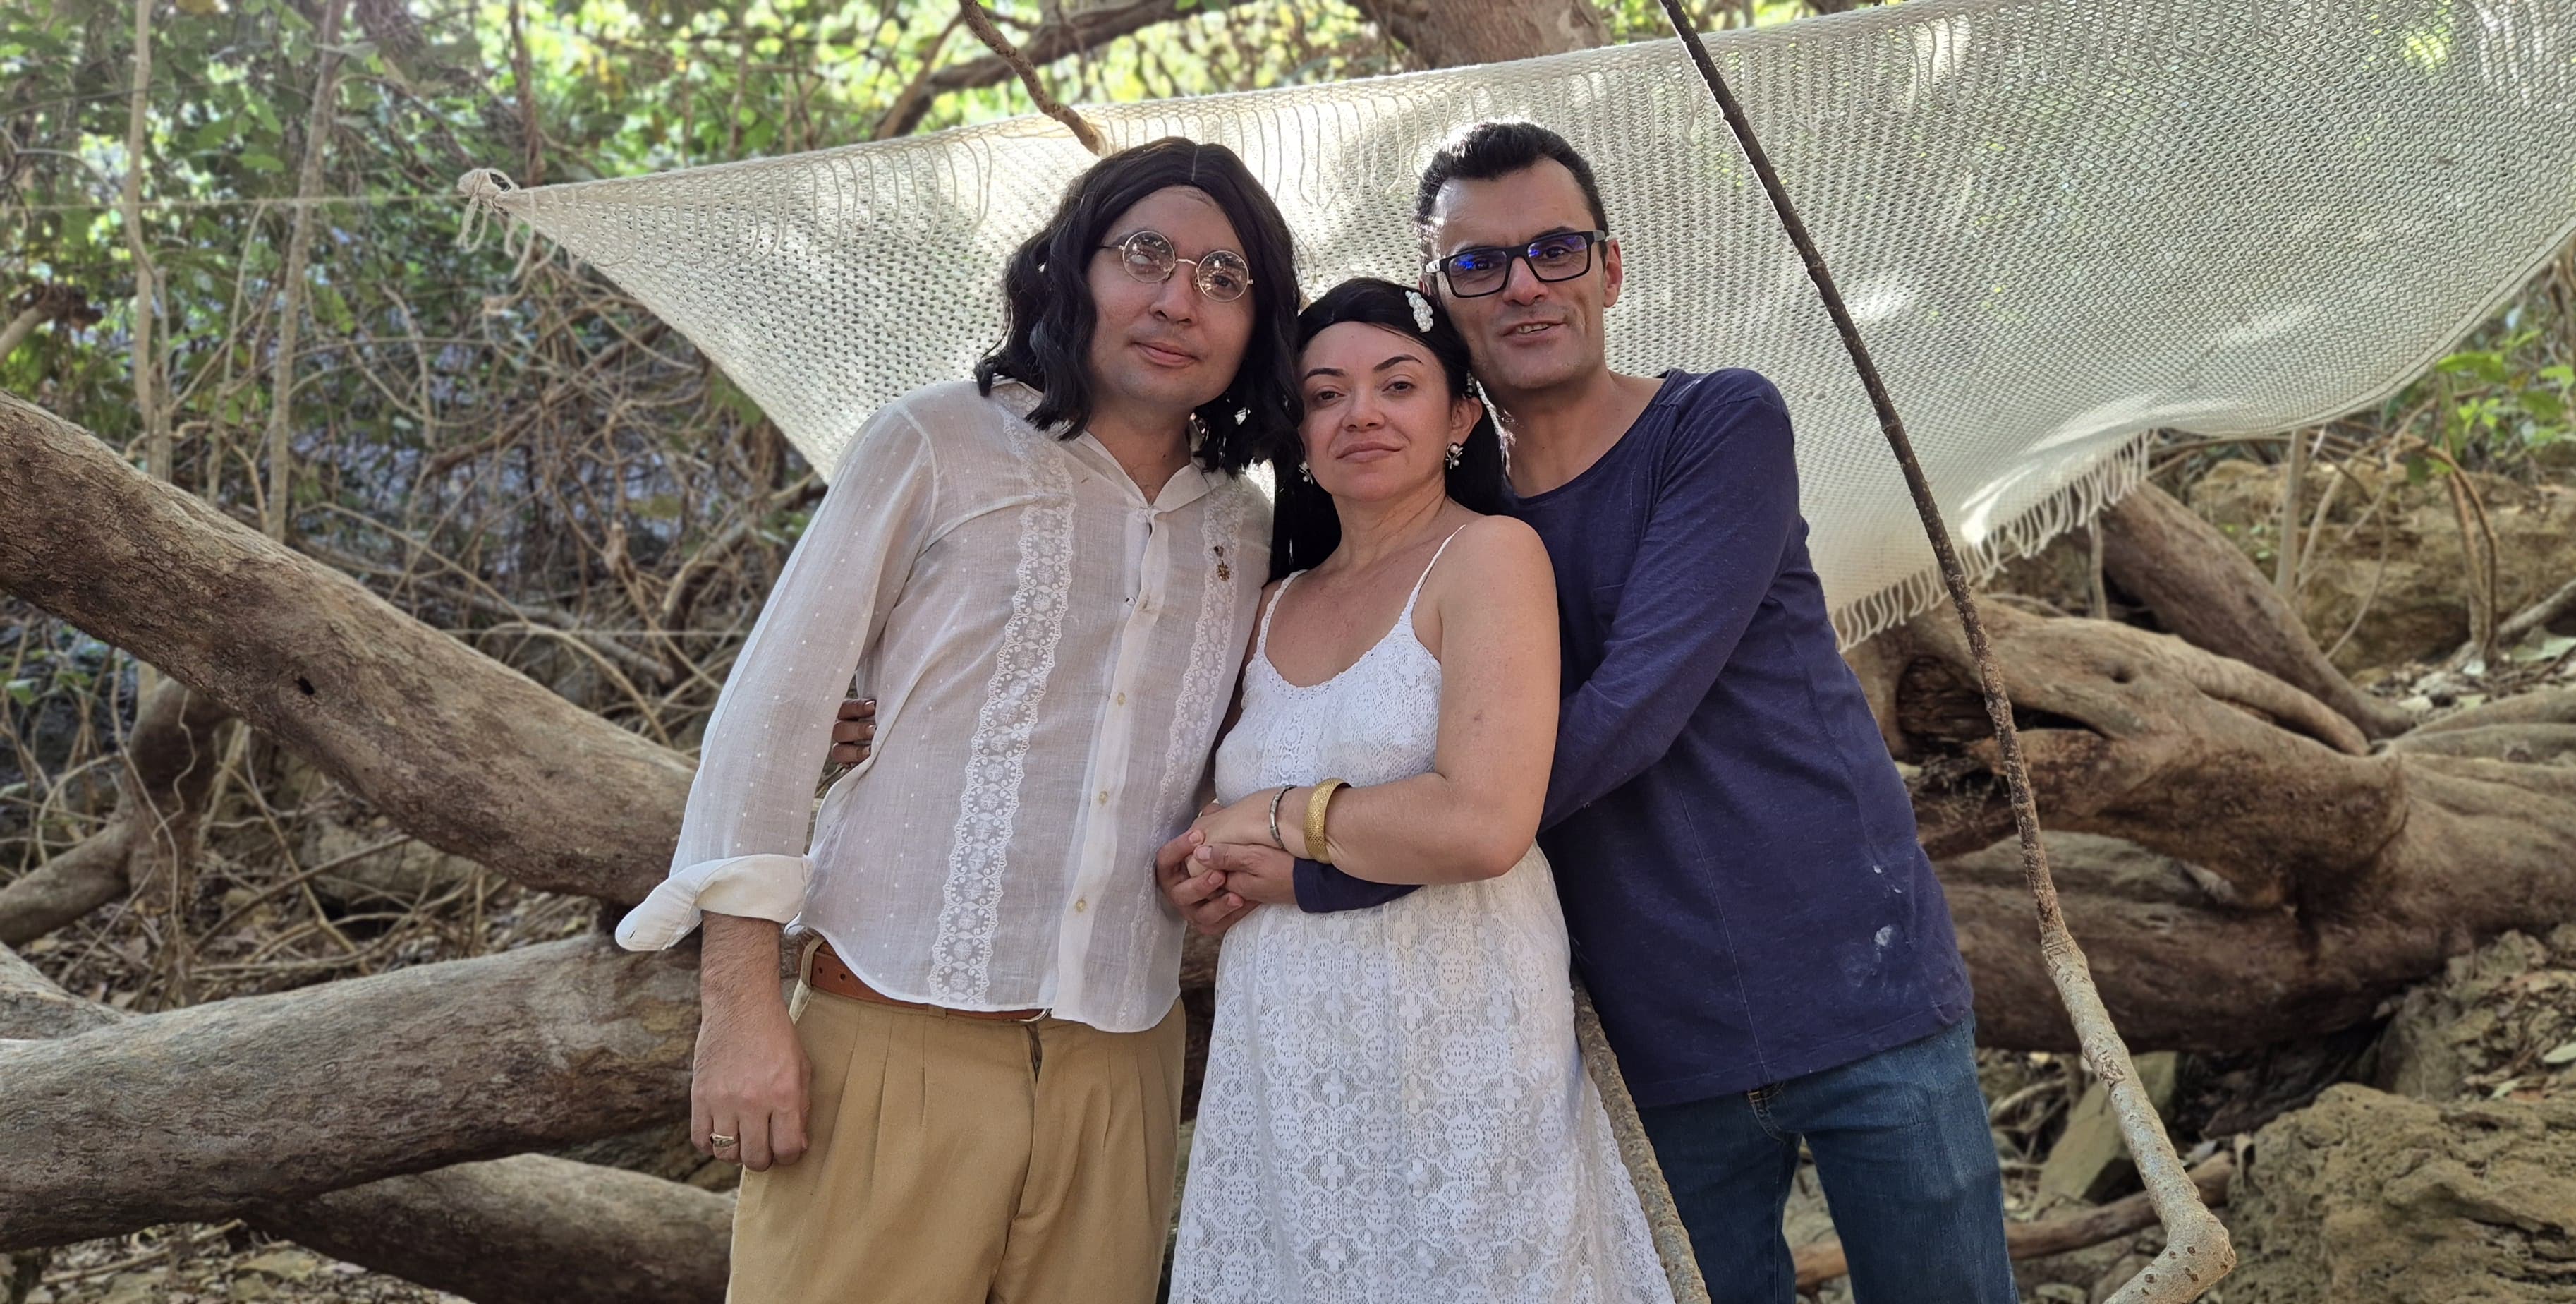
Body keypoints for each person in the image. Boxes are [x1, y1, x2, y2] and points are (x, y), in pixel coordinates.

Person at [1162, 123, 2017, 1303]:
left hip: (1852, 979)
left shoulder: (1715, 428)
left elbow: (1625, 715)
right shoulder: (1448, 529)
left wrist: (1321, 862)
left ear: (1610, 271)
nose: (1523, 285)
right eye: (1479, 264)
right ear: (1439, 299)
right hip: (1646, 1028)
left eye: (1556, 250)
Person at [612, 137, 1299, 1304]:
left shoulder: (1250, 527)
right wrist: (738, 1011)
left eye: (1225, 278)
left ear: (1257, 324)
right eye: (1145, 255)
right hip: (889, 1038)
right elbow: (774, 717)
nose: (1179, 300)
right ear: (1074, 269)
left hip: (1123, 1065)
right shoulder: (934, 444)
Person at [1162, 278, 1674, 1303]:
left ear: (1461, 418)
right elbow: (1198, 811)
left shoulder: (1489, 556)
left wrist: (1274, 818)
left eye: (1398, 385)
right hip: (1282, 1041)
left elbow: (1481, 822)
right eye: (1326, 394)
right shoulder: (1267, 602)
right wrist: (1199, 867)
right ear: (1299, 432)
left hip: (1457, 1028)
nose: (1361, 414)